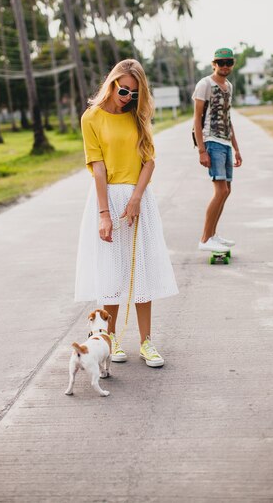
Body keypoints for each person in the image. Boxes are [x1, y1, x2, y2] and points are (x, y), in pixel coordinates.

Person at [75, 59, 178, 367]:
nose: (127, 96)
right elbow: (98, 168)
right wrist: (105, 213)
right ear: (111, 83)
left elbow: (149, 161)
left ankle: (146, 342)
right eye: (123, 90)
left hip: (138, 198)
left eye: (133, 93)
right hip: (106, 198)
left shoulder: (137, 117)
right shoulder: (91, 118)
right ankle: (111, 339)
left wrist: (136, 198)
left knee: (141, 271)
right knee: (111, 273)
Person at [192, 47, 242, 253]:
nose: (225, 66)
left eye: (228, 62)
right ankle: (205, 238)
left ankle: (213, 234)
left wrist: (237, 149)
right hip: (211, 142)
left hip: (225, 143)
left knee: (226, 191)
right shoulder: (205, 84)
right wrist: (201, 150)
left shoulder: (228, 86)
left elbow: (228, 120)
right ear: (214, 64)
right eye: (221, 63)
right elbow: (196, 118)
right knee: (220, 190)